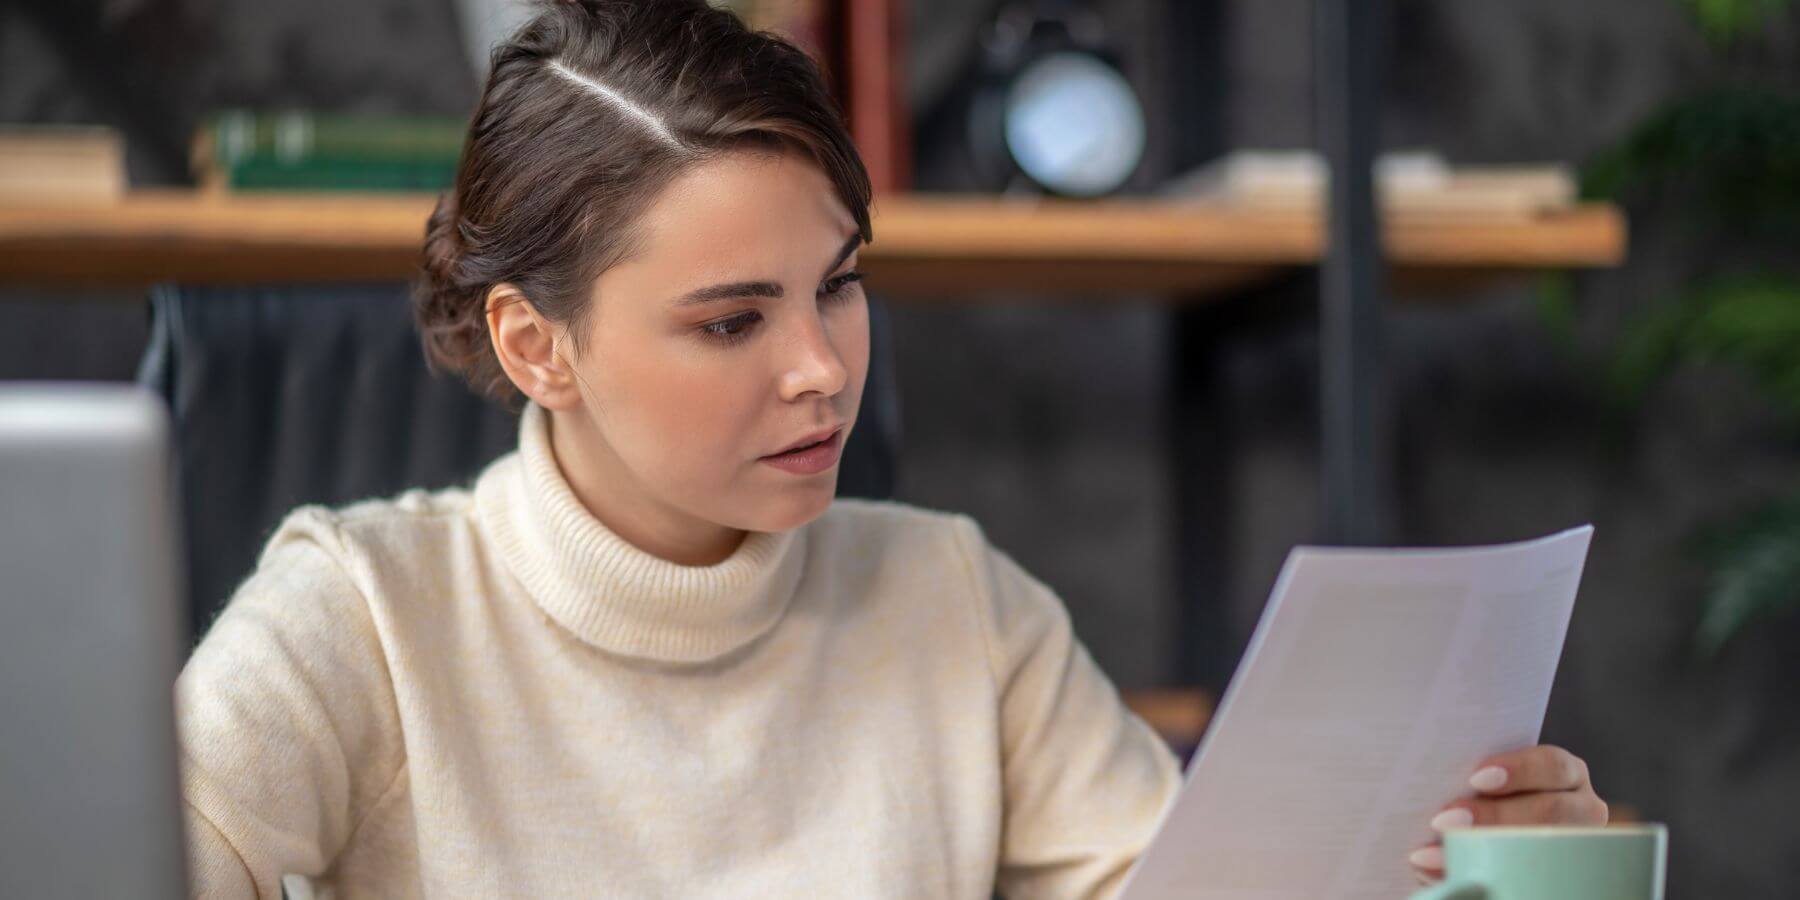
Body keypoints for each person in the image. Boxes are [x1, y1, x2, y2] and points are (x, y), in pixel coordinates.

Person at [173, 1, 1608, 896]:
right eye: (733, 321)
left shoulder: (954, 605)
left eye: (839, 285)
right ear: (538, 347)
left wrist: (1476, 860)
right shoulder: (359, 616)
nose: (823, 369)